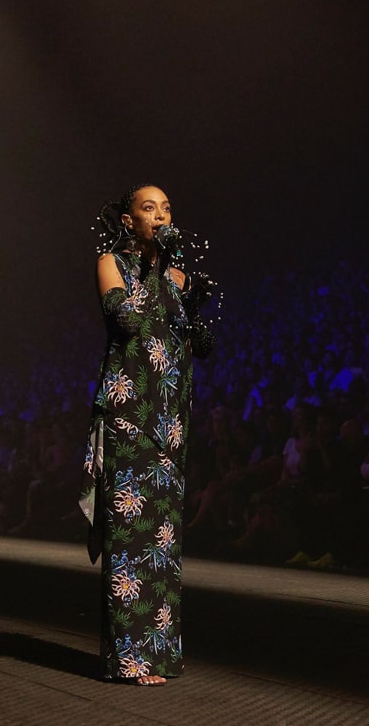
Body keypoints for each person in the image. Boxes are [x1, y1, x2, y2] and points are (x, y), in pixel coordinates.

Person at [78, 184, 216, 686]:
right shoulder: (110, 262)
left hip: (170, 418)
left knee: (163, 539)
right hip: (129, 413)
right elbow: (128, 320)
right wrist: (164, 275)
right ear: (128, 220)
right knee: (130, 538)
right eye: (149, 208)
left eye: (167, 208)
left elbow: (201, 345)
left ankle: (160, 654)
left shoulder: (177, 273)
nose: (160, 215)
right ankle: (129, 659)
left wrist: (194, 301)